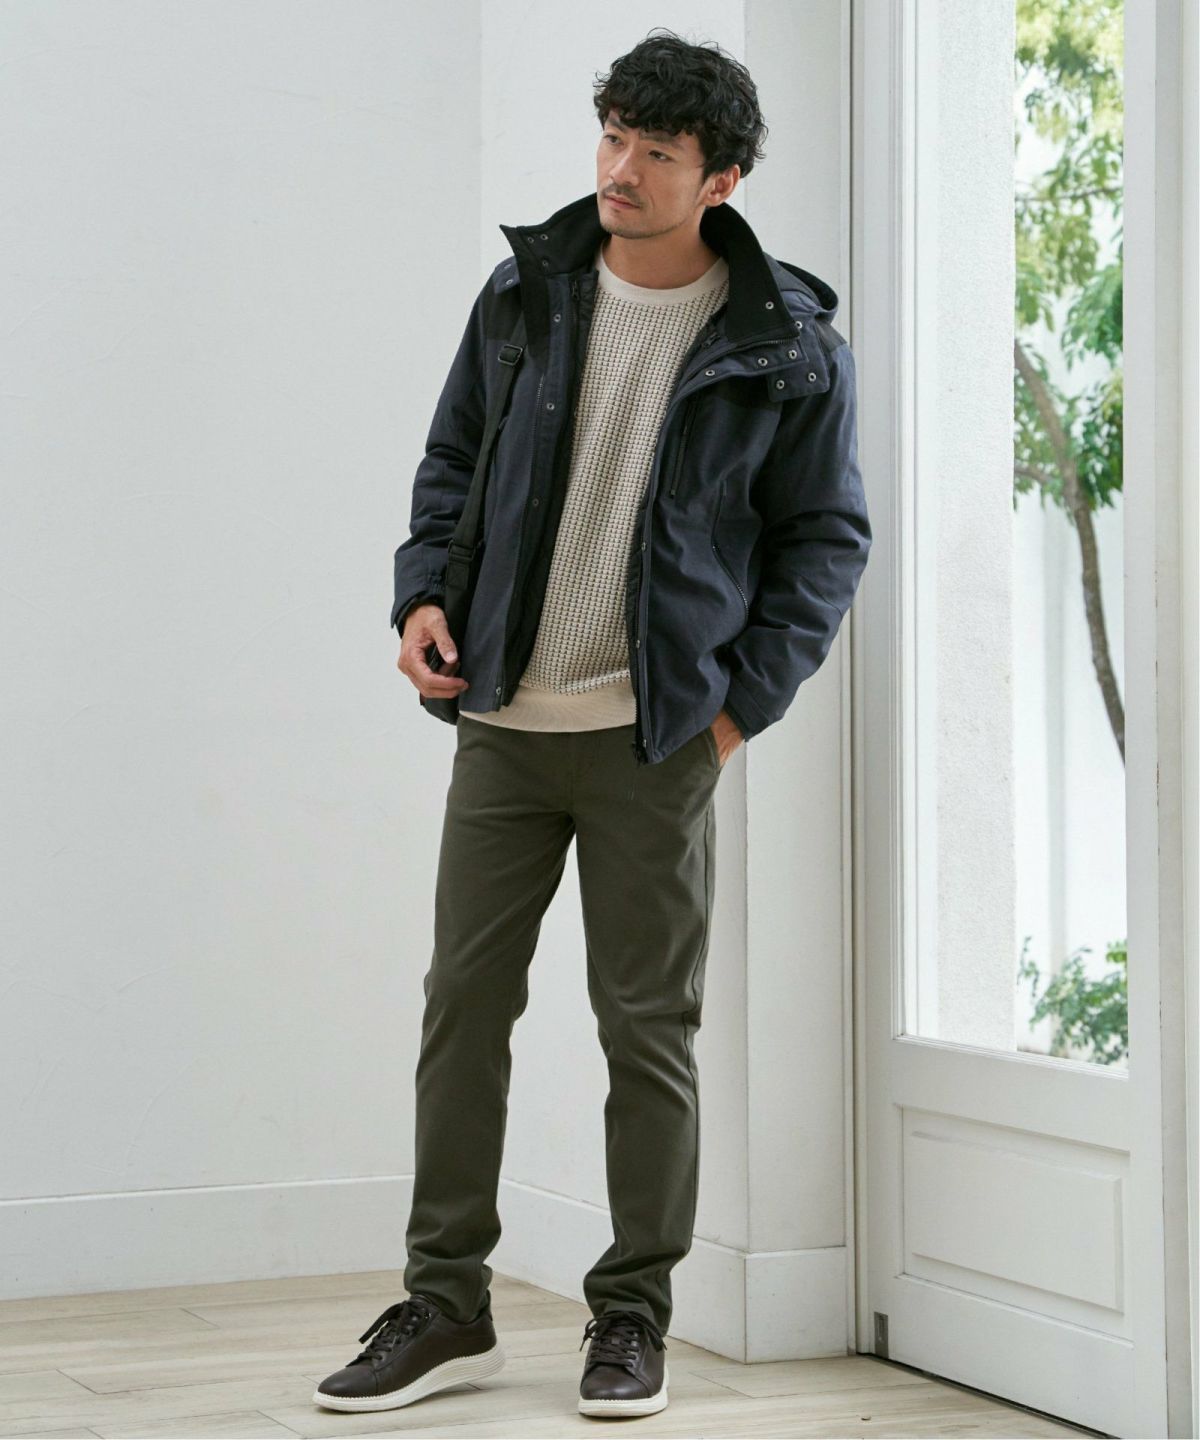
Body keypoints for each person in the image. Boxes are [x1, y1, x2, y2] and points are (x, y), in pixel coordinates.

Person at [314, 27, 871, 1421]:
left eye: (655, 151)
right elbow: (453, 459)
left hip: (655, 739)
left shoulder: (789, 346)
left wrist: (735, 712)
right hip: (504, 716)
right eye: (612, 136)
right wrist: (422, 597)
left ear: (720, 179)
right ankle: (446, 1303)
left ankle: (631, 1318)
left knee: (647, 1034)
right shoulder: (527, 292)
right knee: (463, 1009)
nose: (619, 169)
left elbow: (826, 542)